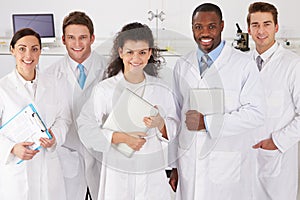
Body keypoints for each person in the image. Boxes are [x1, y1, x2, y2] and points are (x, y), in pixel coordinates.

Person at [168, 3, 266, 200]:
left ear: (222, 26)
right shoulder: (182, 65)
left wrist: (208, 122)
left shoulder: (243, 65)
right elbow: (175, 116)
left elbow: (256, 113)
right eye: (198, 27)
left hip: (226, 167)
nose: (205, 33)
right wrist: (174, 165)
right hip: (189, 165)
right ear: (192, 27)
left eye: (211, 26)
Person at [77, 22, 179, 200]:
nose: (136, 58)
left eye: (142, 52)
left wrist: (161, 124)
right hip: (117, 174)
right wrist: (119, 138)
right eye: (130, 52)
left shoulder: (162, 89)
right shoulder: (105, 90)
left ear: (149, 53)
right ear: (120, 52)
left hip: (150, 174)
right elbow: (85, 129)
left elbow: (175, 127)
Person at [0, 28, 71, 200]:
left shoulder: (54, 84)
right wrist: (12, 148)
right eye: (22, 48)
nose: (28, 55)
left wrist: (55, 137)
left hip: (48, 166)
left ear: (40, 51)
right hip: (18, 171)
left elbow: (64, 119)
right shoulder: (2, 88)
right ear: (12, 50)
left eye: (34, 49)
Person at [45, 11, 107, 200]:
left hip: (101, 155)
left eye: (83, 37)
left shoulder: (109, 69)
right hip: (67, 154)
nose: (77, 44)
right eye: (71, 38)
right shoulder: (50, 74)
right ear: (63, 39)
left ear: (92, 38)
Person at [247, 2, 300, 199]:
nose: (261, 31)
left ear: (276, 27)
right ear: (249, 29)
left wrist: (276, 142)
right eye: (255, 25)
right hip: (245, 159)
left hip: (276, 159)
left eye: (267, 24)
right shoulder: (242, 63)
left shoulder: (293, 65)